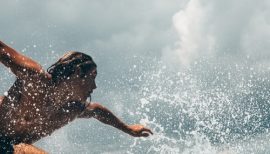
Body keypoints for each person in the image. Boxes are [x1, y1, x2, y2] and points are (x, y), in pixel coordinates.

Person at [0, 40, 153, 153]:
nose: (94, 86)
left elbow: (97, 111)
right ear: (77, 73)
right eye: (92, 77)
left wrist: (128, 129)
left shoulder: (71, 109)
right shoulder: (36, 80)